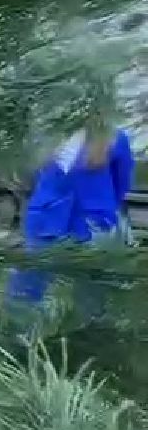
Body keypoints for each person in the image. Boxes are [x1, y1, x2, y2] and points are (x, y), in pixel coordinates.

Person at [7, 109, 135, 333]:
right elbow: (33, 177)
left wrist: (100, 207)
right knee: (27, 287)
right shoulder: (44, 137)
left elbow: (122, 183)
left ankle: (87, 342)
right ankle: (19, 342)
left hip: (93, 224)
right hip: (46, 221)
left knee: (91, 292)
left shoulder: (115, 137)